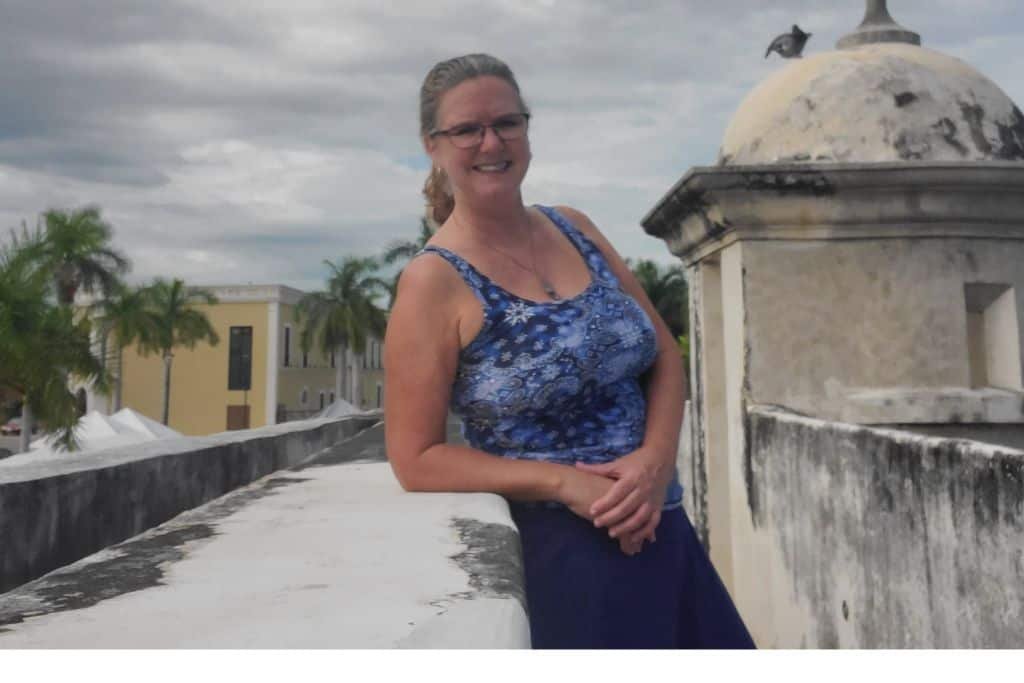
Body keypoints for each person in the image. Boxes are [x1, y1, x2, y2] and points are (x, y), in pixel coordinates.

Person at [384, 53, 753, 649]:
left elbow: (664, 356)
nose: (491, 142)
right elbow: (416, 457)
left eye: (507, 122)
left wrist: (654, 464)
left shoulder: (574, 227)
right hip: (560, 558)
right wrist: (562, 484)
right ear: (433, 145)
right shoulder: (433, 281)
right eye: (467, 129)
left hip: (663, 528)